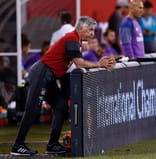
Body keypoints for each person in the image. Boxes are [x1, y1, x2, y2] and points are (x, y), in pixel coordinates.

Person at [11, 16, 115, 156]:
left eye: (93, 30)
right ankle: (17, 145)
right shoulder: (72, 38)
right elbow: (79, 63)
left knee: (61, 106)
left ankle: (52, 144)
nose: (92, 33)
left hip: (49, 75)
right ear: (81, 28)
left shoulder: (75, 41)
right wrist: (99, 64)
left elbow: (70, 65)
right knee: (32, 109)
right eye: (90, 30)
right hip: (41, 73)